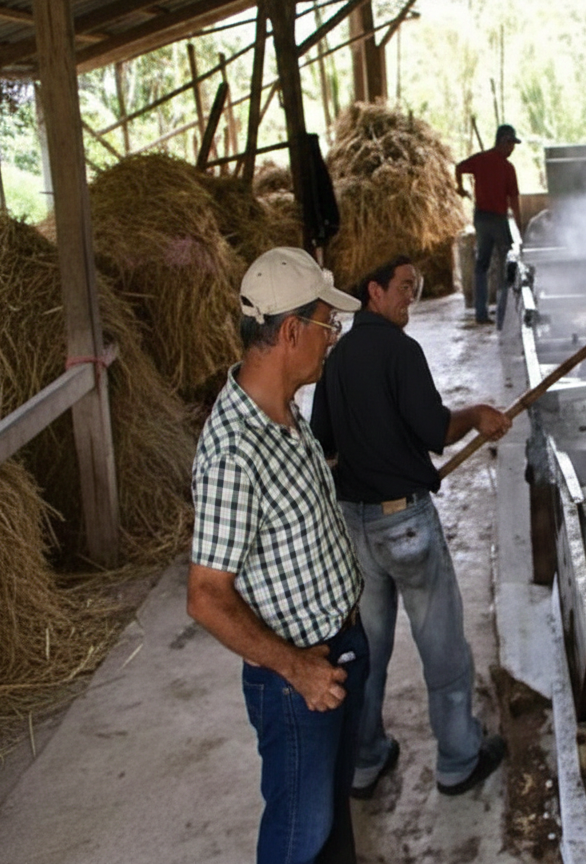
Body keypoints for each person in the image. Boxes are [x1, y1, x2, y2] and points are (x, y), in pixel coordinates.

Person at [186, 246, 367, 864]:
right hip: (299, 679)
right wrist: (295, 668)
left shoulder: (285, 411)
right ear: (291, 331)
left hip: (339, 646)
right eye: (327, 326)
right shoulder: (234, 452)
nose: (332, 339)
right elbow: (206, 596)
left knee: (331, 817)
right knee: (298, 833)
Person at [310, 255, 512, 799]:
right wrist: (476, 414)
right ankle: (458, 759)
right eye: (402, 287)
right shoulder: (402, 351)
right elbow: (434, 432)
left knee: (367, 648)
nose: (410, 299)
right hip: (405, 524)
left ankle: (365, 760)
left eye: (416, 290)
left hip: (354, 525)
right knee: (441, 642)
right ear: (373, 291)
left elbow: (324, 442)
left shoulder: (336, 355)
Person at [456, 123, 522, 329]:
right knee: (505, 266)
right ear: (503, 141)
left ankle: (481, 313)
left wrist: (460, 188)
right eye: (511, 144)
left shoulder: (481, 160)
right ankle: (503, 315)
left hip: (481, 219)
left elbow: (459, 167)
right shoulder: (507, 168)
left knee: (481, 266)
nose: (512, 148)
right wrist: (519, 227)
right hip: (498, 220)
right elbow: (514, 201)